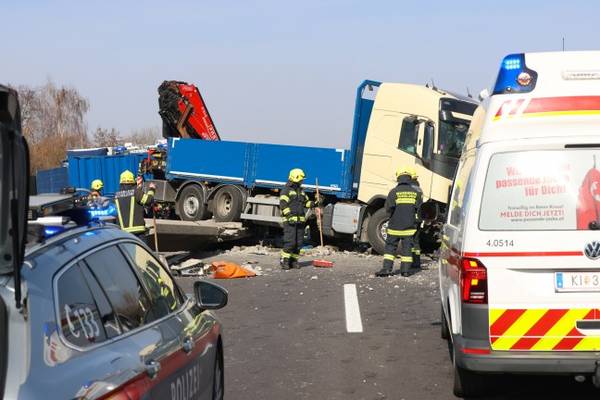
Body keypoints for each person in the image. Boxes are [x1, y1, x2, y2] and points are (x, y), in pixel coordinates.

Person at [376, 166, 420, 277]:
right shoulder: (416, 193)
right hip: (409, 228)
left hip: (394, 227)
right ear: (409, 178)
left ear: (398, 178)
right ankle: (405, 271)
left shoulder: (394, 192)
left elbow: (388, 208)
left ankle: (386, 269)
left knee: (390, 248)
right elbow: (419, 210)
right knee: (407, 250)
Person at [279, 168, 316, 270]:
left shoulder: (301, 191)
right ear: (296, 178)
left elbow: (306, 202)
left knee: (299, 243)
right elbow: (283, 204)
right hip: (289, 221)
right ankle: (285, 260)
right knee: (290, 242)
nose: (302, 181)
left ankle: (294, 261)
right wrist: (289, 216)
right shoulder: (286, 190)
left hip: (300, 221)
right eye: (301, 179)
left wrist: (313, 203)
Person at [114, 170, 156, 235]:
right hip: (138, 231)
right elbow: (148, 200)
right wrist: (152, 189)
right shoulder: (136, 192)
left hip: (123, 232)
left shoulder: (116, 195)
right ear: (132, 181)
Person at [410, 169, 423, 271]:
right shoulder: (419, 188)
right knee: (416, 241)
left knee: (409, 240)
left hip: (411, 218)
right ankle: (417, 262)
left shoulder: (410, 188)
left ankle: (409, 261)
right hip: (418, 218)